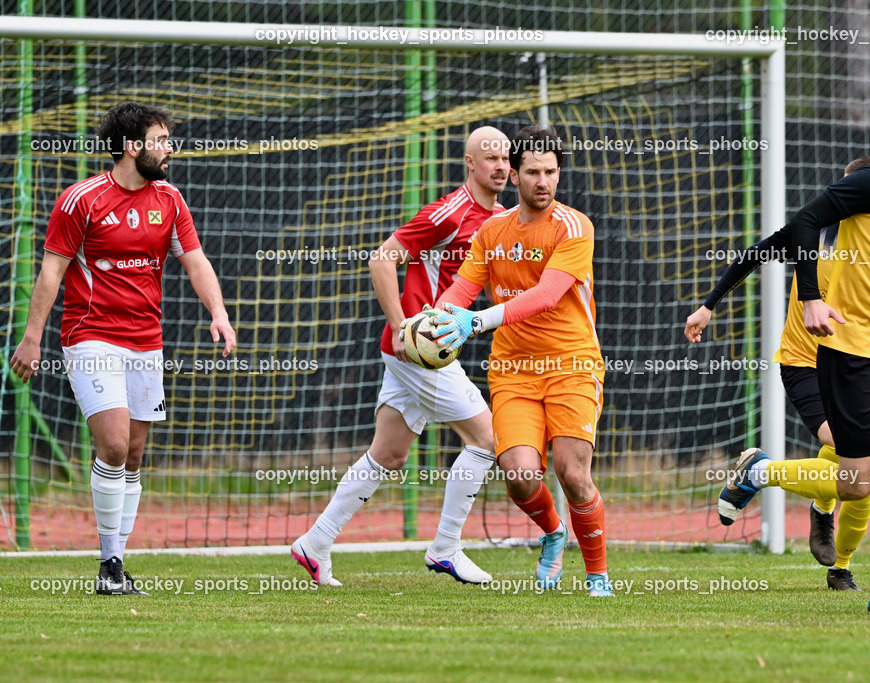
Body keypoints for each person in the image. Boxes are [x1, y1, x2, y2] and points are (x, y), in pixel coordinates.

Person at [716, 92, 870, 614]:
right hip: (844, 355)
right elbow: (799, 225)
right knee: (857, 482)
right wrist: (805, 298)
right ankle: (761, 473)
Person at [10, 102, 236, 595]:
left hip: (146, 341)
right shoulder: (81, 200)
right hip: (90, 335)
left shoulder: (170, 199)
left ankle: (116, 564)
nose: (170, 149)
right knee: (112, 445)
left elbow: (196, 261)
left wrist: (218, 312)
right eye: (161, 140)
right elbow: (52, 271)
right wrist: (32, 337)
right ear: (133, 147)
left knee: (132, 454)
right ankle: (108, 564)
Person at [291, 127, 510, 586]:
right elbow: (381, 258)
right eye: (490, 158)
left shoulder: (501, 219)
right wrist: (400, 326)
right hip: (418, 350)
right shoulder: (449, 212)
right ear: (470, 163)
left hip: (429, 350)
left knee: (387, 454)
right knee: (487, 440)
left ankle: (315, 542)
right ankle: (445, 548)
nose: (501, 166)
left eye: (506, 158)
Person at [427, 125, 613, 597]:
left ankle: (597, 576)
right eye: (532, 172)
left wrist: (475, 322)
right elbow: (461, 291)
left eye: (550, 171)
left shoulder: (574, 226)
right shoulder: (492, 231)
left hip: (572, 364)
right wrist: (433, 323)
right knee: (520, 474)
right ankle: (553, 532)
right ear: (513, 175)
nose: (543, 181)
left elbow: (546, 295)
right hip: (513, 370)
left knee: (573, 473)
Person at [685, 156, 870, 591]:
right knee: (849, 448)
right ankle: (758, 471)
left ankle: (839, 563)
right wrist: (708, 305)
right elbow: (754, 255)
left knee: (864, 467)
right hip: (804, 362)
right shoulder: (813, 230)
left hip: (858, 364)